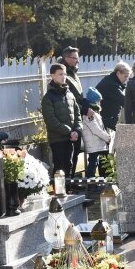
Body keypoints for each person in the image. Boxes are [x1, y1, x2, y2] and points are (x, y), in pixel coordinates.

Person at [42, 63, 82, 176]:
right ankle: (58, 190)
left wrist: (77, 131)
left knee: (69, 164)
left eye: (64, 74)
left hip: (71, 138)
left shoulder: (70, 94)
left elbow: (77, 114)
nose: (63, 76)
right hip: (57, 139)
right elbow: (51, 121)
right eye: (60, 74)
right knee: (59, 166)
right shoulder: (48, 98)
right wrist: (69, 131)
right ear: (52, 76)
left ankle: (68, 188)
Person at [59, 46, 88, 177]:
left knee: (76, 151)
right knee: (68, 154)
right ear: (66, 58)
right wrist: (84, 108)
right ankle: (66, 182)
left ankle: (72, 180)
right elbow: (70, 100)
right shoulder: (64, 75)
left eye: (78, 58)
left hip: (77, 118)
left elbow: (78, 96)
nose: (78, 61)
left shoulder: (74, 73)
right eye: (75, 58)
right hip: (67, 121)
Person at [80, 88, 111, 178]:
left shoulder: (93, 112)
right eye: (98, 101)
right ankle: (91, 183)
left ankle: (97, 181)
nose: (99, 103)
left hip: (96, 143)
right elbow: (95, 129)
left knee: (96, 162)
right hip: (93, 143)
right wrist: (107, 138)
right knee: (93, 163)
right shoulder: (90, 113)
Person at [96, 61, 130, 132]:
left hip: (106, 119)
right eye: (125, 76)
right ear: (118, 73)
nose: (127, 79)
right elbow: (123, 101)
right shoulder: (111, 84)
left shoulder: (112, 81)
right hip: (105, 120)